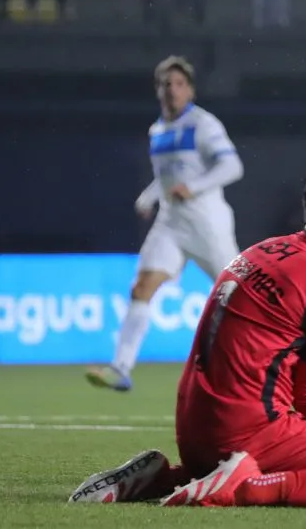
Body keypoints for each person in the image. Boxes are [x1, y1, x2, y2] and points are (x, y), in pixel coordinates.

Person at [69, 163, 306, 509]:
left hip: (194, 431)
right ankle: (247, 488)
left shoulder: (260, 252)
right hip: (248, 432)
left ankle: (167, 478)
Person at [85, 56, 243, 392]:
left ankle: (279, 359)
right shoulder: (157, 130)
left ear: (191, 91)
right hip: (170, 222)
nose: (173, 90)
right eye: (166, 84)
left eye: (179, 84)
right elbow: (168, 176)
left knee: (240, 295)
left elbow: (233, 167)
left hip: (206, 222)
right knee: (141, 287)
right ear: (158, 90)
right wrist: (149, 197)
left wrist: (195, 187)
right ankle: (121, 367)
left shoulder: (204, 124)